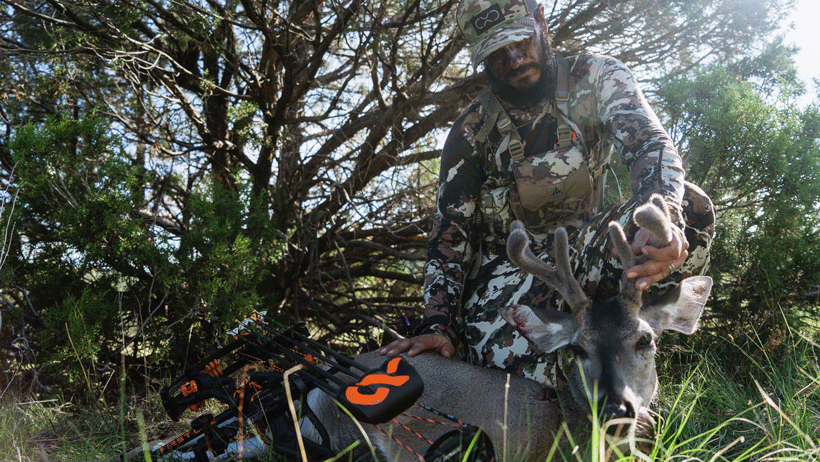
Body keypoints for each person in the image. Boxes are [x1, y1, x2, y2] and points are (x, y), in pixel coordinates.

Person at [378, 0, 714, 386]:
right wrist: (438, 323)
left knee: (693, 206)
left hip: (584, 249)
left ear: (541, 20)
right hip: (506, 278)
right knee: (540, 384)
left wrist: (665, 215)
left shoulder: (596, 76)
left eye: (520, 40)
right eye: (497, 54)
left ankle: (634, 345)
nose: (516, 59)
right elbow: (450, 236)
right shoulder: (470, 133)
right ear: (482, 61)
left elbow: (649, 145)